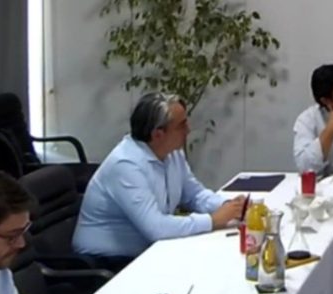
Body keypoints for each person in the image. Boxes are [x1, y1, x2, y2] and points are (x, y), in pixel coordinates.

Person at [73, 92, 245, 267]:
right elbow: (156, 228)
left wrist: (231, 207)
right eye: (182, 125)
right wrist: (212, 221)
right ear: (158, 134)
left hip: (146, 251)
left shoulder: (172, 153)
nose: (188, 130)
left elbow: (194, 195)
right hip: (106, 261)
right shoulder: (126, 164)